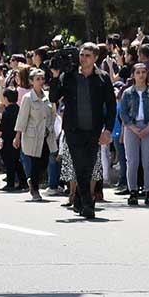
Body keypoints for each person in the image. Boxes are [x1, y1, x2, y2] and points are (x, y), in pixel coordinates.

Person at [49, 42, 117, 219]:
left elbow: (111, 106)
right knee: (80, 165)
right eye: (81, 54)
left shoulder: (102, 78)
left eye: (87, 55)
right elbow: (53, 97)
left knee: (87, 166)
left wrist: (108, 130)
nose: (83, 58)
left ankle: (79, 198)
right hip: (73, 130)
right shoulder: (69, 76)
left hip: (94, 130)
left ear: (95, 58)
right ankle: (88, 204)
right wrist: (56, 76)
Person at [119, 63, 149, 206]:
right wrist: (133, 128)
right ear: (133, 75)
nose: (141, 75)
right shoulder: (128, 92)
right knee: (132, 161)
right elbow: (123, 112)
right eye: (138, 72)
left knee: (148, 161)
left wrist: (148, 128)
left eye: (143, 72)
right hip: (132, 127)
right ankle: (133, 191)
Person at [14, 69, 58, 201]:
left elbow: (53, 114)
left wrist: (50, 128)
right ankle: (35, 189)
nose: (41, 81)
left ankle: (33, 181)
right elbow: (22, 118)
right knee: (35, 162)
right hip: (33, 135)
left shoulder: (48, 97)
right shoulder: (28, 98)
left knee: (45, 161)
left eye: (42, 78)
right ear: (31, 82)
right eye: (38, 79)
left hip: (46, 135)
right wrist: (17, 136)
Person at [0, 89, 27, 193]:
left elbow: (2, 126)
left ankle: (10, 183)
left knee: (9, 162)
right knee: (16, 161)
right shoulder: (19, 109)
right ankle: (23, 182)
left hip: (8, 139)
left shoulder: (7, 111)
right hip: (17, 138)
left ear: (6, 98)